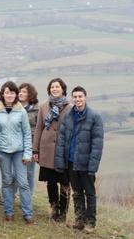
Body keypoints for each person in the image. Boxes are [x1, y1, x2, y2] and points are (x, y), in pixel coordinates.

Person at [54, 86, 104, 234]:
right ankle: (79, 220)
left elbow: (97, 144)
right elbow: (61, 139)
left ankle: (90, 223)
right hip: (71, 161)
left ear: (85, 97)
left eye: (80, 96)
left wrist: (93, 166)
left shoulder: (94, 117)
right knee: (76, 193)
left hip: (86, 163)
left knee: (90, 193)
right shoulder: (69, 116)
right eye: (75, 97)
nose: (77, 99)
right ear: (72, 98)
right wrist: (60, 161)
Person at [0, 81, 34, 224]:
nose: (9, 95)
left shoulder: (21, 111)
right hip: (2, 152)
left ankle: (28, 214)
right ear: (3, 94)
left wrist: (27, 153)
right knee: (7, 181)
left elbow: (27, 133)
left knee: (23, 183)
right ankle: (8, 212)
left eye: (12, 92)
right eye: (7, 92)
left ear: (16, 94)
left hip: (19, 152)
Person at [34, 78, 72, 222]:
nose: (54, 89)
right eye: (52, 87)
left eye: (57, 87)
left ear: (63, 89)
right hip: (47, 150)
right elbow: (39, 128)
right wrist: (35, 150)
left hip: (63, 151)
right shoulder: (43, 107)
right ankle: (54, 208)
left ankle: (63, 212)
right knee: (51, 182)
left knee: (64, 182)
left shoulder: (70, 107)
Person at [18, 82, 39, 195]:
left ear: (30, 94)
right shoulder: (14, 107)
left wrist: (36, 147)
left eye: (24, 92)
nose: (20, 93)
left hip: (30, 144)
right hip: (15, 144)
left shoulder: (36, 110)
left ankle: (28, 195)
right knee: (15, 171)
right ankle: (15, 194)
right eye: (20, 91)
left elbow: (38, 128)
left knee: (29, 172)